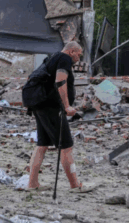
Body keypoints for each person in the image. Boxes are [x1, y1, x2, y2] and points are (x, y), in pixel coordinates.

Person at [27, 41, 96, 192]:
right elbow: (60, 81)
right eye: (78, 54)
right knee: (66, 146)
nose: (79, 58)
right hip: (52, 107)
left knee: (42, 145)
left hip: (40, 105)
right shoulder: (65, 58)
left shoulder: (53, 58)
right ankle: (75, 185)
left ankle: (32, 184)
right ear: (72, 51)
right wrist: (66, 106)